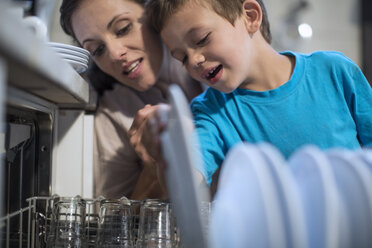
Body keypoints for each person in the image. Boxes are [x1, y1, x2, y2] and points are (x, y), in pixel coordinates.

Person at [144, 0, 372, 186]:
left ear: (251, 16)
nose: (193, 60)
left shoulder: (334, 71)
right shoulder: (210, 112)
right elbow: (187, 182)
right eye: (181, 57)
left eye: (201, 39)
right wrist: (165, 147)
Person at [59, 0, 203, 199]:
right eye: (98, 50)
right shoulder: (113, 111)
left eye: (123, 29)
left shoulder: (211, 63)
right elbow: (116, 217)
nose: (116, 54)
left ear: (153, 13)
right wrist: (154, 168)